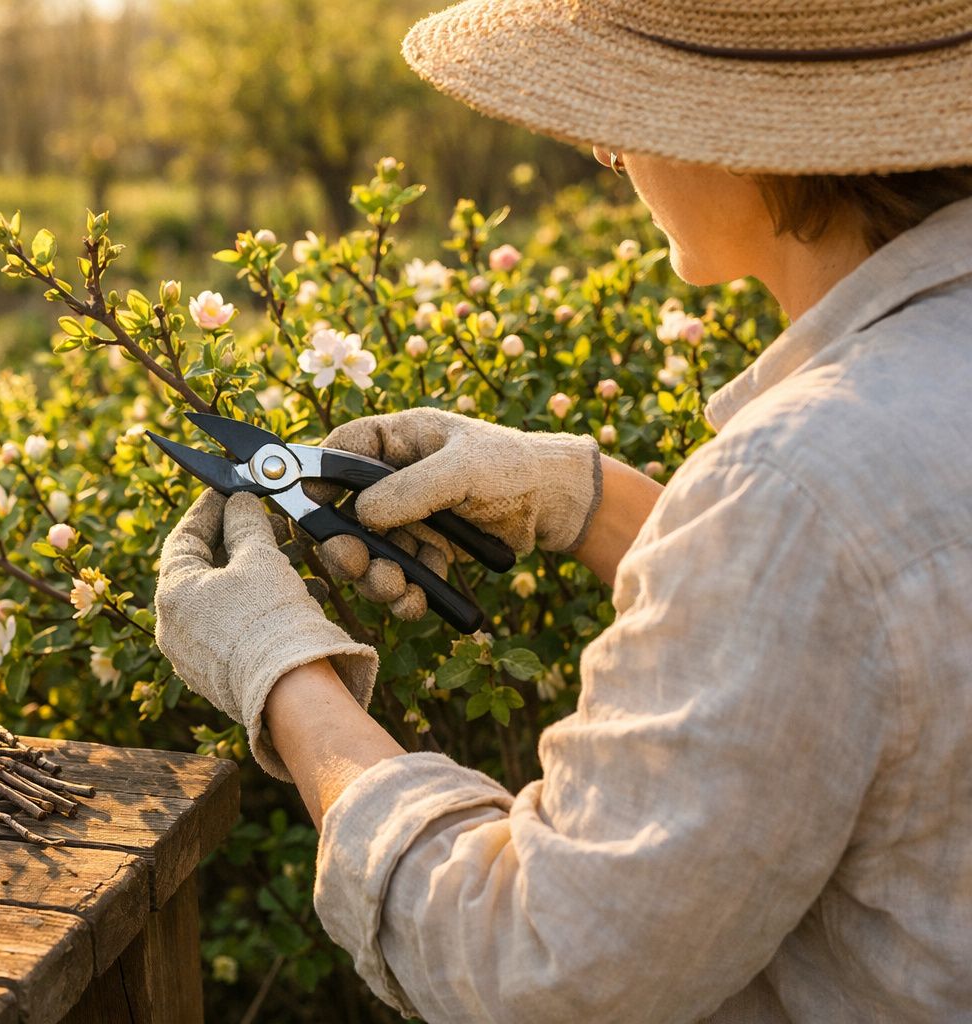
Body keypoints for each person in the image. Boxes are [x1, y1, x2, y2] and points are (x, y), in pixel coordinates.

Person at [152, 1, 972, 1021]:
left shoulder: (795, 491)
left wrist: (282, 675)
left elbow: (535, 963)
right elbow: (883, 624)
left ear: (756, 140)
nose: (603, 145)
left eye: (630, 101)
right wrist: (588, 498)